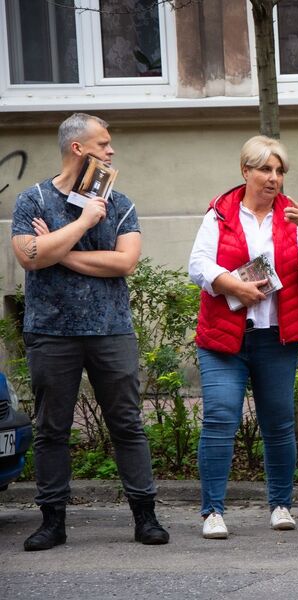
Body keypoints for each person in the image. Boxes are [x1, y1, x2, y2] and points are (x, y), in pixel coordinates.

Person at [11, 112, 169, 551]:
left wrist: (55, 251)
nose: (111, 150)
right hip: (51, 333)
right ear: (77, 149)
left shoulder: (120, 203)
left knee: (127, 424)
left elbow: (124, 263)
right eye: (103, 144)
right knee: (52, 429)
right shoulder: (33, 199)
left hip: (111, 330)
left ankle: (145, 516)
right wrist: (81, 225)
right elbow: (27, 256)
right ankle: (52, 521)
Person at [188, 135, 298, 539]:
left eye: (279, 171)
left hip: (275, 337)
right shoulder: (220, 212)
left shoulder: (291, 215)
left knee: (278, 424)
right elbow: (197, 264)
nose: (274, 178)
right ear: (246, 171)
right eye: (265, 170)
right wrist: (232, 285)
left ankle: (281, 505)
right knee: (220, 418)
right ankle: (212, 511)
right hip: (224, 339)